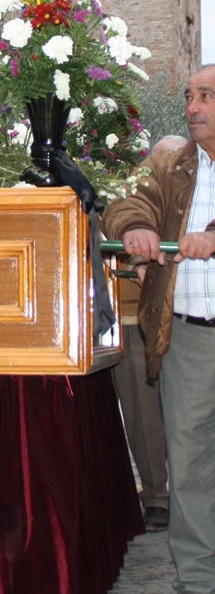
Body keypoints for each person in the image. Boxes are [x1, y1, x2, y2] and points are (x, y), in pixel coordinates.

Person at [103, 65, 215, 594]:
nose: (193, 107)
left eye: (206, 96)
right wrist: (137, 227)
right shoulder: (170, 163)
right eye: (189, 96)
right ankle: (198, 579)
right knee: (188, 461)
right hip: (188, 337)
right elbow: (127, 200)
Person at [111, 134, 185, 533]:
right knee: (143, 414)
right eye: (160, 161)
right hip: (134, 318)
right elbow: (118, 229)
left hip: (189, 319)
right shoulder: (131, 192)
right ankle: (157, 496)